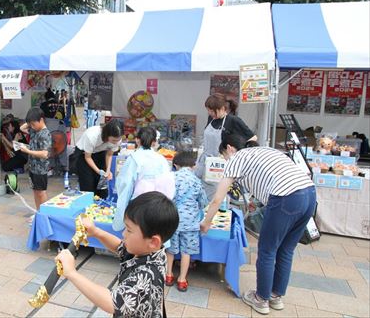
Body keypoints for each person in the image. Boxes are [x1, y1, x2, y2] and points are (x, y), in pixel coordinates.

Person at [200, 134, 316, 315]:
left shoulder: (236, 158)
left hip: (285, 197)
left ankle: (261, 299)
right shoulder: (265, 150)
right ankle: (276, 297)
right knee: (286, 249)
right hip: (309, 194)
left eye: (224, 156)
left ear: (230, 148)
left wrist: (206, 223)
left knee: (267, 250)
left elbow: (217, 199)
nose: (225, 160)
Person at [56, 192, 179, 318]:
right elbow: (120, 247)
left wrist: (72, 273)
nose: (124, 233)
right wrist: (97, 232)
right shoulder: (151, 251)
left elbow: (112, 303)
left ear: (153, 241)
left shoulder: (147, 275)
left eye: (129, 230)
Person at [112, 127, 175, 231]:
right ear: (154, 142)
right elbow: (169, 187)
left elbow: (125, 186)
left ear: (137, 140)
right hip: (159, 207)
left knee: (139, 236)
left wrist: (120, 216)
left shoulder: (134, 158)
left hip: (139, 207)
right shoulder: (162, 159)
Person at [195, 94, 256, 199]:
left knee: (217, 197)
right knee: (200, 194)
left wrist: (236, 153)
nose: (210, 113)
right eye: (208, 110)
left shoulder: (233, 120)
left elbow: (253, 138)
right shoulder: (211, 118)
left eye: (213, 111)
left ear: (222, 108)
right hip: (204, 161)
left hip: (219, 165)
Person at [166, 151, 208, 292]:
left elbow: (166, 197)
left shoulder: (171, 177)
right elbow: (203, 202)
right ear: (194, 166)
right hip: (190, 223)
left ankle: (168, 275)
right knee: (186, 252)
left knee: (170, 250)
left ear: (176, 165)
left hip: (172, 220)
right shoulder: (196, 181)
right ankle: (182, 279)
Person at [75, 119, 123, 199]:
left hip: (100, 153)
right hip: (84, 155)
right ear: (107, 135)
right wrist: (98, 171)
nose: (116, 142)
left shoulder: (117, 139)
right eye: (113, 140)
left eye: (118, 140)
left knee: (102, 184)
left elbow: (109, 155)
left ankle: (100, 206)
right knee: (88, 184)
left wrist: (107, 170)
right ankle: (88, 206)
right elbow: (88, 157)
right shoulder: (92, 135)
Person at [19, 108, 51, 217]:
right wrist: (30, 122)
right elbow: (21, 128)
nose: (31, 126)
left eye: (33, 123)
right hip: (32, 167)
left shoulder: (45, 134)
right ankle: (39, 213)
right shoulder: (34, 130)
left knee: (41, 192)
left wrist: (27, 151)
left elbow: (45, 154)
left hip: (41, 169)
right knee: (35, 191)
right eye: (30, 124)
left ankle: (45, 215)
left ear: (41, 120)